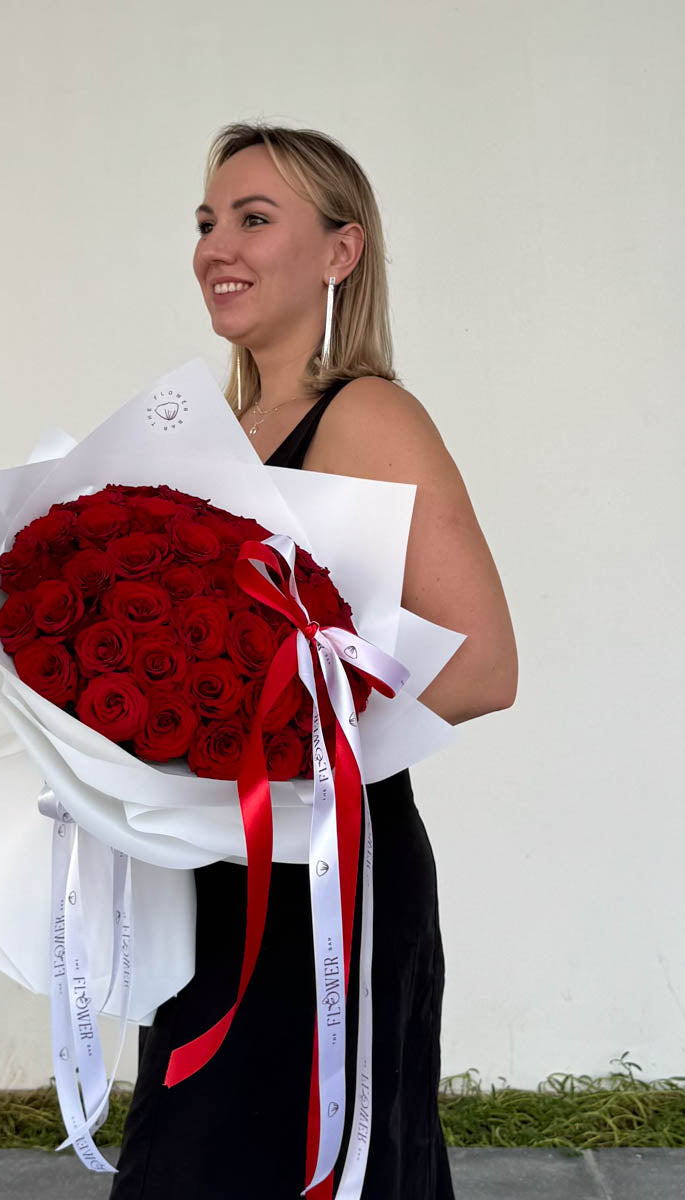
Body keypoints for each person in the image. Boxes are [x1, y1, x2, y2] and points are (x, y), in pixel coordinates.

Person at [108, 122, 518, 1199]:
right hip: (215, 865)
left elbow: (484, 665)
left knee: (315, 1162)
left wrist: (289, 739)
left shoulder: (367, 414)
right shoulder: (219, 429)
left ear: (342, 251)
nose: (216, 246)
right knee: (192, 1158)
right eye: (206, 223)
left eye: (253, 219)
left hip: (330, 876)